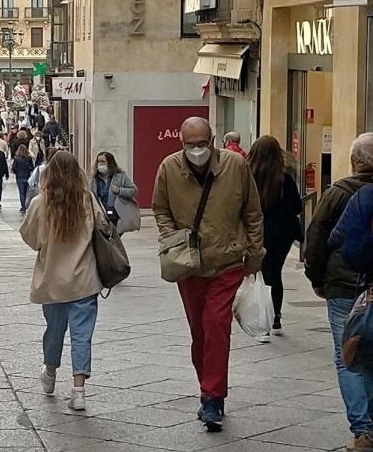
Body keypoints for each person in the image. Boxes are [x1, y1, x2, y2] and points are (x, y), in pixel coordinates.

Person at [152, 117, 264, 432]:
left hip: (227, 261)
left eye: (202, 143)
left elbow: (252, 213)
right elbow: (160, 209)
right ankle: (208, 388)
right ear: (182, 144)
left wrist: (254, 256)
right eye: (191, 145)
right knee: (200, 333)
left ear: (212, 140)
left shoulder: (235, 166)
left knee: (216, 326)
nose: (197, 150)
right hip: (189, 263)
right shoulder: (169, 169)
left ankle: (212, 397)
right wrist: (172, 237)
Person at [20, 151, 107, 412]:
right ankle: (78, 390)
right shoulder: (87, 200)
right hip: (84, 280)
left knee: (54, 331)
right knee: (82, 336)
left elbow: (31, 239)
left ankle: (49, 372)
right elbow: (102, 229)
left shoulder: (40, 203)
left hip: (53, 281)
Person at [304, 132, 373, 451]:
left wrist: (316, 278)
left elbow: (317, 238)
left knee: (348, 353)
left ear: (354, 161)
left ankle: (364, 431)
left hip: (345, 286)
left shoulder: (338, 193)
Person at [247, 136, 303, 338]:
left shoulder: (247, 176)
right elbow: (297, 206)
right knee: (275, 273)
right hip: (282, 233)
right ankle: (276, 316)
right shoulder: (284, 178)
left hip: (256, 231)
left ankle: (261, 316)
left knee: (261, 272)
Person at [90, 152, 140, 235]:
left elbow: (134, 191)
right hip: (99, 216)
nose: (100, 164)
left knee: (114, 239)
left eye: (103, 161)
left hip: (115, 215)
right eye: (98, 161)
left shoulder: (121, 177)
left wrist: (120, 191)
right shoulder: (94, 179)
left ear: (110, 163)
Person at [12, 145, 35, 213]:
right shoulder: (29, 158)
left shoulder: (16, 158)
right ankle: (26, 204)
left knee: (22, 193)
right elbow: (32, 167)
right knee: (27, 192)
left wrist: (17, 172)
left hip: (19, 177)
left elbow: (14, 168)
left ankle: (23, 207)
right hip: (27, 176)